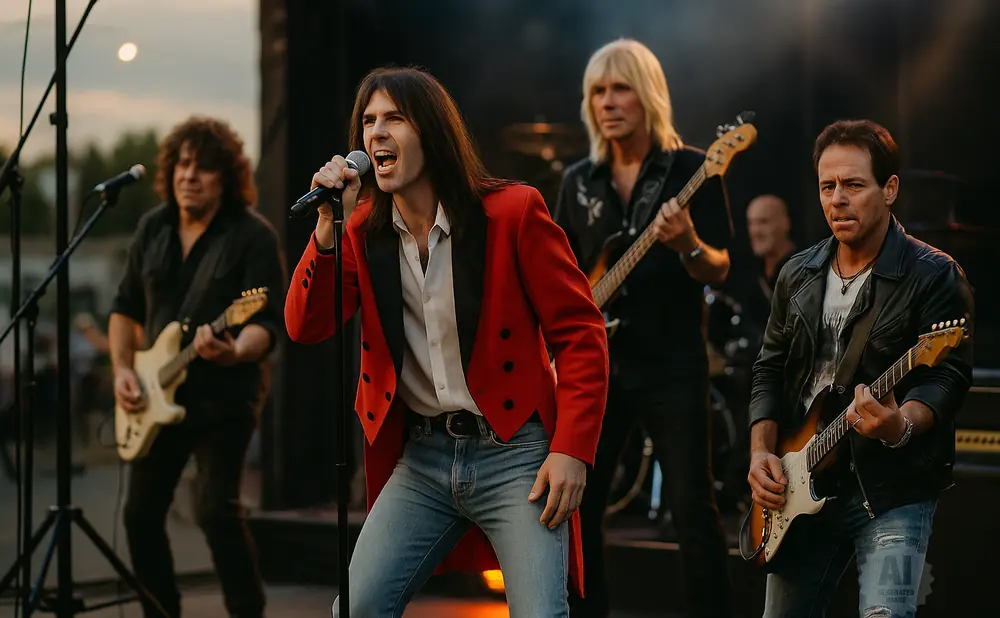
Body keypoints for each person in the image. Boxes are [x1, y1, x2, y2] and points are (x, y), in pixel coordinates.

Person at [283, 66, 609, 617]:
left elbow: (581, 334)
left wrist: (571, 449)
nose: (376, 134)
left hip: (515, 452)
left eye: (394, 119)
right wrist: (326, 229)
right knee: (356, 610)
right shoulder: (360, 231)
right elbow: (305, 324)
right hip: (424, 456)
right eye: (368, 121)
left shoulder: (513, 213)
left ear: (432, 132)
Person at [748, 119, 974, 617]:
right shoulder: (798, 273)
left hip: (891, 490)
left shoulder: (934, 274)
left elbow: (947, 376)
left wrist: (900, 424)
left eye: (853, 185)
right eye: (828, 186)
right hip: (799, 482)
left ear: (889, 189)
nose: (837, 199)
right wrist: (761, 452)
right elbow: (768, 368)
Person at [552, 38, 734, 618]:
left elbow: (721, 265)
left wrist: (688, 246)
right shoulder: (577, 180)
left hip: (672, 363)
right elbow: (557, 277)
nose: (608, 102)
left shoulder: (692, 167)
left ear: (647, 93)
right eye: (598, 91)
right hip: (593, 371)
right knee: (578, 509)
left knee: (693, 511)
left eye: (620, 87)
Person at [109, 116, 286, 618]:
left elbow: (267, 322)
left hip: (223, 397)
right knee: (140, 515)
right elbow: (124, 308)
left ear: (226, 177)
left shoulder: (251, 235)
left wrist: (234, 350)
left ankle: (247, 611)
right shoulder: (154, 227)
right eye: (183, 164)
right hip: (152, 391)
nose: (191, 175)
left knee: (215, 511)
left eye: (205, 168)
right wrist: (123, 368)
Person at [740, 194, 796, 336]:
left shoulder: (804, 270)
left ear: (785, 224)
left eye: (763, 222)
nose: (755, 231)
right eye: (751, 223)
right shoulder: (751, 272)